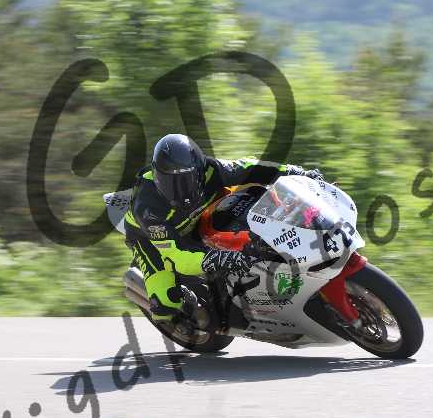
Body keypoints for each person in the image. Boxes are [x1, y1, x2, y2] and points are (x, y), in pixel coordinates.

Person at [125, 134, 324, 321]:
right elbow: (178, 257)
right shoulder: (148, 208)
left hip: (204, 216)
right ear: (157, 176)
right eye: (169, 182)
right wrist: (221, 258)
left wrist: (299, 173)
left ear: (200, 171)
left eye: (186, 180)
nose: (179, 190)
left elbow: (252, 167)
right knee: (166, 304)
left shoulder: (213, 170)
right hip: (152, 238)